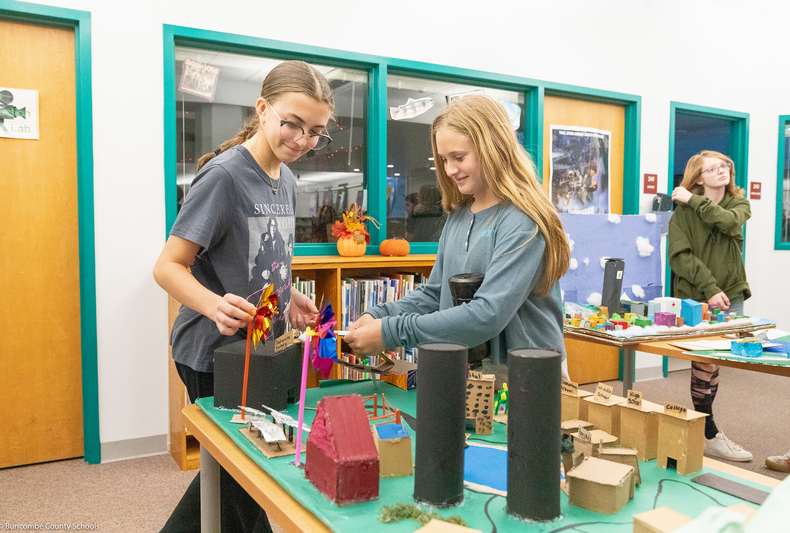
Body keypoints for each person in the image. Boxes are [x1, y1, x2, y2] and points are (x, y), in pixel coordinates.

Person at [153, 60, 331, 532]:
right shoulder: (225, 177)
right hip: (212, 354)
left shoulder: (288, 180)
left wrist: (287, 296)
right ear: (262, 109)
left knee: (248, 471)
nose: (301, 139)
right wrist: (213, 304)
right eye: (292, 123)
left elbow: (264, 258)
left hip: (260, 349)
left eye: (315, 131)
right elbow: (167, 267)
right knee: (240, 475)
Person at [345, 95, 571, 377]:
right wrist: (380, 316)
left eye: (459, 157)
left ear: (493, 149)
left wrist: (391, 332)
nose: (450, 169)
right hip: (473, 374)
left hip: (526, 377)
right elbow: (436, 293)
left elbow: (486, 314)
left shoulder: (522, 220)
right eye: (444, 159)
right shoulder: (459, 216)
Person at [669, 150, 752, 462]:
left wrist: (693, 200)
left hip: (732, 294)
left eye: (724, 166)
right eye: (712, 169)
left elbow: (729, 223)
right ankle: (709, 432)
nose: (722, 172)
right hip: (698, 296)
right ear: (698, 177)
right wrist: (710, 289)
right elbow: (681, 257)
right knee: (703, 363)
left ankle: (704, 430)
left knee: (716, 362)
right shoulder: (682, 215)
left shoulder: (738, 204)